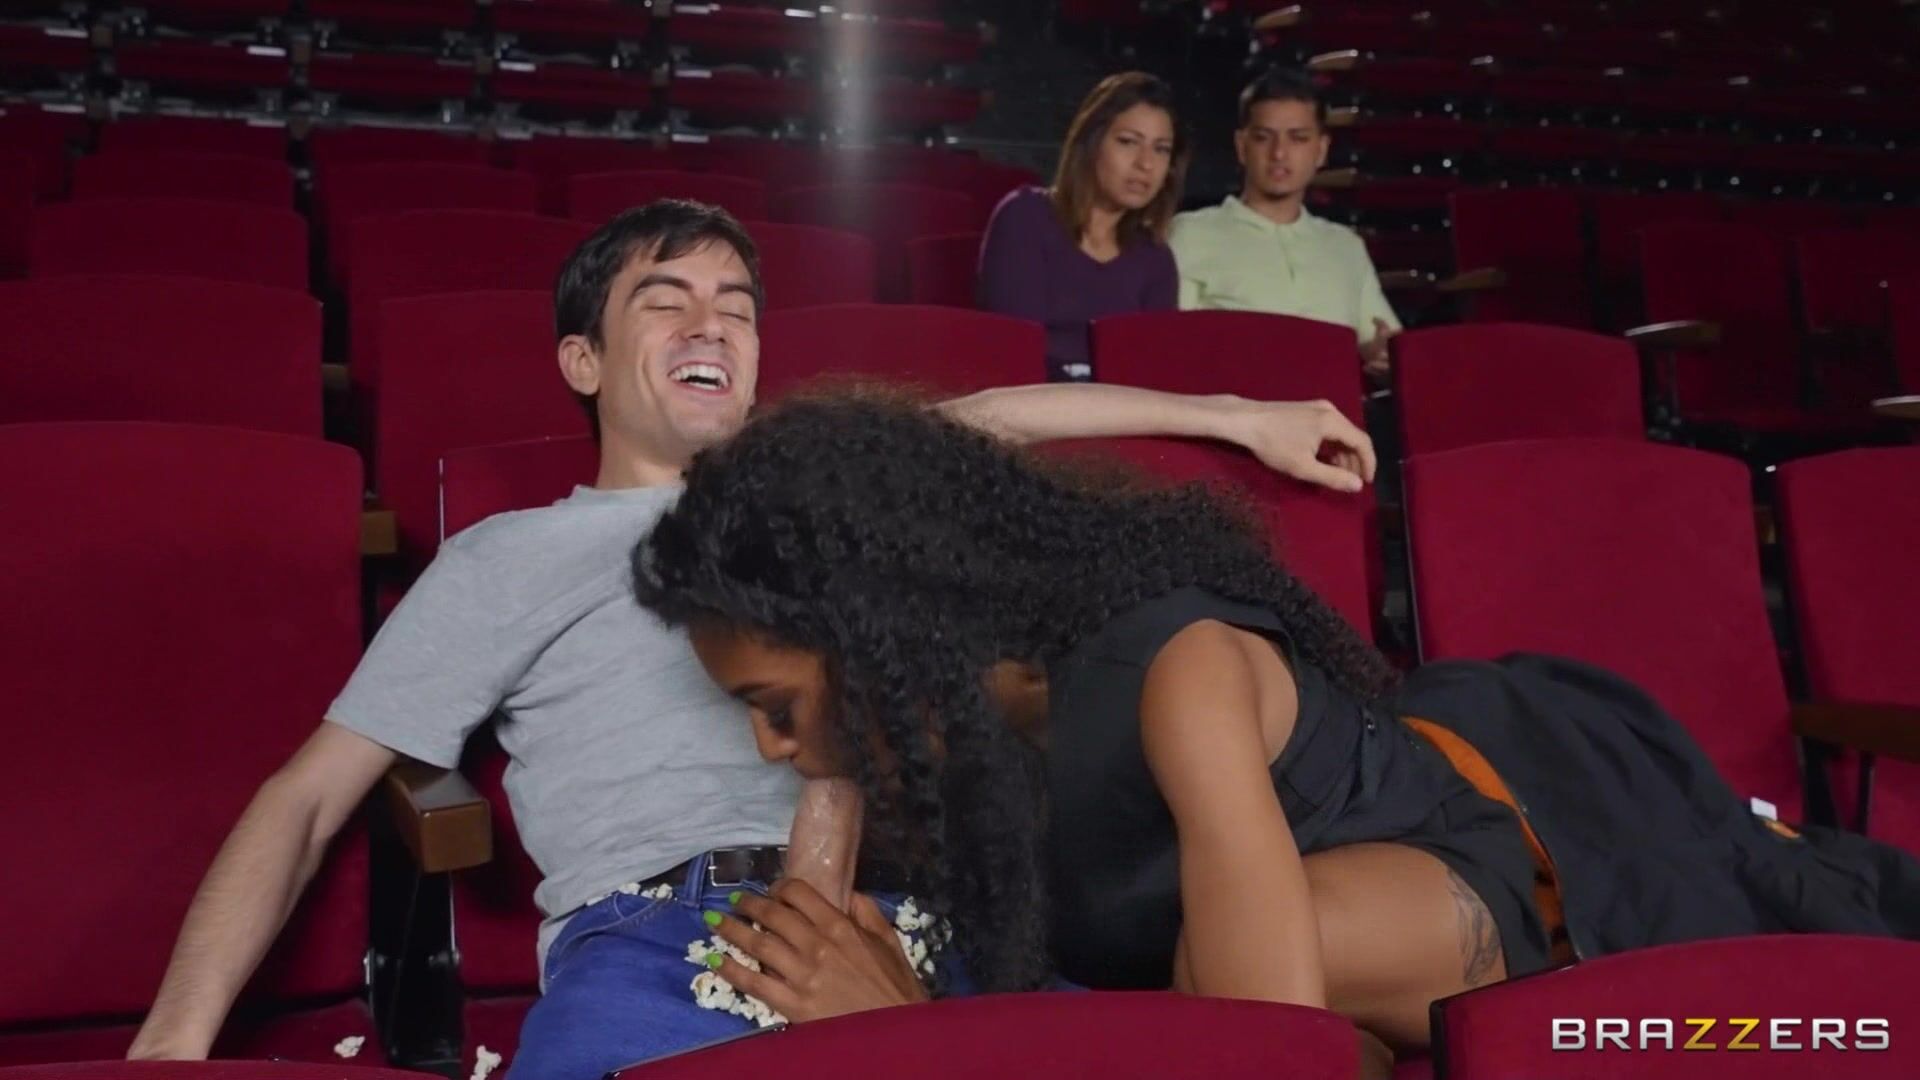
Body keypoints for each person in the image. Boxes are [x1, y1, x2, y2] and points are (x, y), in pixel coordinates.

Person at [125, 200, 1378, 1078]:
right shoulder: (507, 558)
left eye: (735, 307)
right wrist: (173, 1047)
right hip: (664, 933)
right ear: (582, 360)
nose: (710, 324)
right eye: (664, 302)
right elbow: (309, 798)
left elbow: (993, 418)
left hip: (912, 916)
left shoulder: (809, 501)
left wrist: (1240, 414)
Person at [633, 389, 1920, 1074]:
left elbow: (1262, 1054)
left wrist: (918, 1034)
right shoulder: (934, 713)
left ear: (883, 628)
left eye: (775, 711)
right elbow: (891, 471)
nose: (769, 752)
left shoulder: (1177, 670)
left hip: (1459, 831)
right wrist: (831, 807)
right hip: (1308, 850)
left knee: (1241, 964)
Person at [1170, 69, 1401, 379]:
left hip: (1334, 406)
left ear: (1321, 150)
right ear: (1241, 146)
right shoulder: (1190, 234)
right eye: (1263, 138)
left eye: (1298, 138)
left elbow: (1387, 346)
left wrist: (1384, 355)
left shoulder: (1345, 247)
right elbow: (1172, 350)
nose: (1279, 153)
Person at [977, 71, 1186, 382]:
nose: (1146, 164)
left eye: (1161, 148)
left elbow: (1152, 368)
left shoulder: (1155, 257)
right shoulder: (1025, 216)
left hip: (1121, 406)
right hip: (1031, 397)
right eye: (1128, 142)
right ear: (1091, 142)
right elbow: (1013, 351)